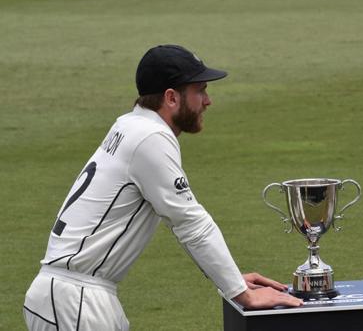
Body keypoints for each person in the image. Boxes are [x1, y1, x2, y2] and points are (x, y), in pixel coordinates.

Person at [23, 44, 303, 330]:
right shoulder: (150, 137)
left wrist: (232, 277)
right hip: (76, 300)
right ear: (171, 97)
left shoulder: (130, 124)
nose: (208, 101)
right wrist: (241, 293)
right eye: (200, 90)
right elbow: (190, 223)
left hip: (73, 294)